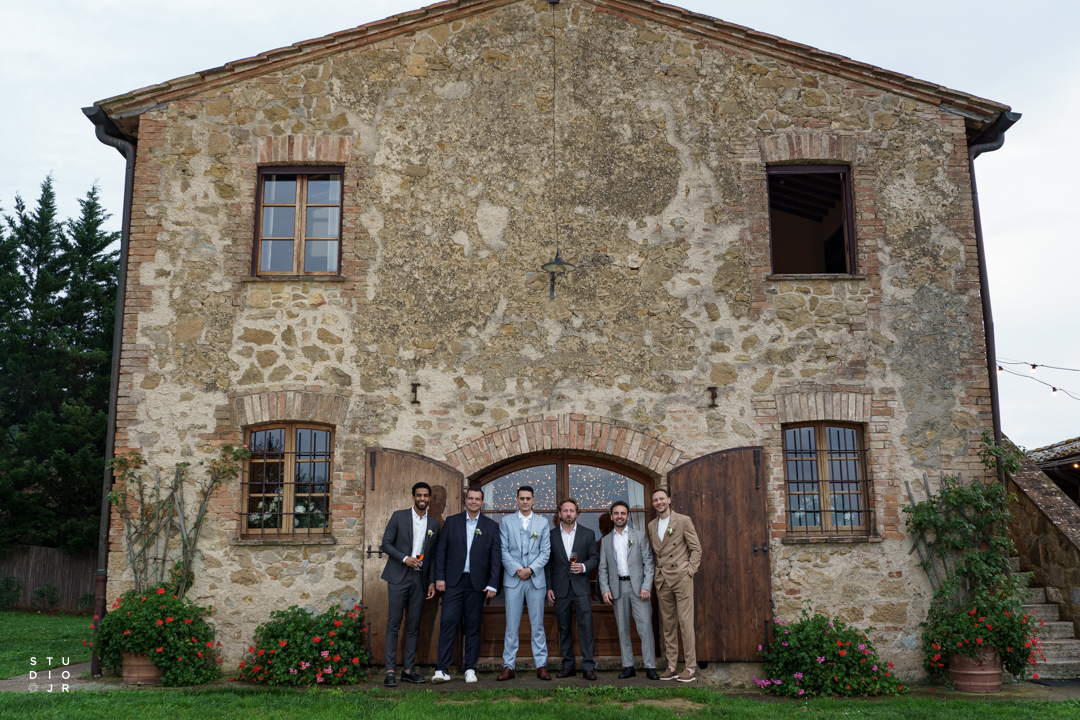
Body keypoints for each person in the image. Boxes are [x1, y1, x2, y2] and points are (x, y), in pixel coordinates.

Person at [432, 486, 502, 684]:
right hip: (453, 582)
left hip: (477, 584)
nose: (473, 502)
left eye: (477, 499)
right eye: (470, 498)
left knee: (473, 626)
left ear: (481, 502)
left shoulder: (491, 526)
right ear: (465, 500)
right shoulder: (452, 522)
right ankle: (442, 670)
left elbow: (495, 557)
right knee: (448, 623)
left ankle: (470, 668)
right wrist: (439, 578)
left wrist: (493, 584)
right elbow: (441, 551)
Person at [379, 481, 441, 687]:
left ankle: (408, 670)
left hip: (419, 579)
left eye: (426, 495)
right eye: (419, 495)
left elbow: (432, 557)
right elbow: (385, 544)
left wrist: (431, 582)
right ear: (413, 496)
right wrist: (404, 558)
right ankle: (389, 671)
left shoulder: (434, 524)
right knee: (394, 624)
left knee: (414, 626)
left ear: (429, 498)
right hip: (398, 576)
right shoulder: (399, 516)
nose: (422, 499)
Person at [599, 500, 659, 680]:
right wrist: (605, 589)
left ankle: (650, 666)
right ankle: (628, 666)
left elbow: (649, 563)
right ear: (611, 517)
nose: (619, 516)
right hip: (617, 588)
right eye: (616, 513)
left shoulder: (639, 536)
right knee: (623, 628)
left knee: (645, 627)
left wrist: (646, 586)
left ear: (628, 516)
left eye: (623, 513)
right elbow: (603, 568)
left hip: (639, 588)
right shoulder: (606, 540)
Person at [646, 487, 701, 682]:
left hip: (680, 577)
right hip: (662, 580)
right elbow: (656, 553)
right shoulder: (652, 525)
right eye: (655, 500)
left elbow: (696, 549)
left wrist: (689, 571)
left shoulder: (683, 520)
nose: (659, 502)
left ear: (669, 500)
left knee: (685, 623)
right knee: (668, 625)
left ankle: (690, 667)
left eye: (662, 499)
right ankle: (671, 666)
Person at [498, 486, 552, 681]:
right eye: (522, 498)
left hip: (535, 579)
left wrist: (530, 570)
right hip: (513, 579)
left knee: (537, 625)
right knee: (511, 625)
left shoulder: (543, 523)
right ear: (517, 500)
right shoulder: (506, 521)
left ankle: (541, 664)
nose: (525, 501)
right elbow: (503, 550)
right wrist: (518, 570)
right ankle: (508, 665)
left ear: (533, 500)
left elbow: (545, 552)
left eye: (528, 498)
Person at [545, 497, 599, 680]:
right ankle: (568, 666)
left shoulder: (588, 534)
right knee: (564, 628)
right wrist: (549, 588)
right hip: (559, 588)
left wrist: (583, 566)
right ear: (559, 514)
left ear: (577, 513)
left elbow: (595, 558)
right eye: (565, 511)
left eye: (571, 511)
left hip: (581, 587)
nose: (568, 514)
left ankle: (588, 667)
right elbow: (547, 564)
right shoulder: (550, 535)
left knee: (586, 628)